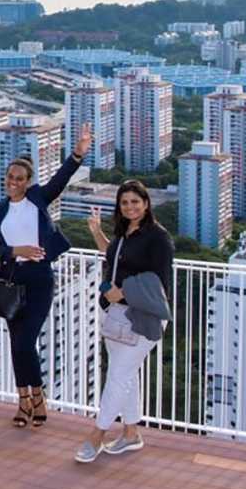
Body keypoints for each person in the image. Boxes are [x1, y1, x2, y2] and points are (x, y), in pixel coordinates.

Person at [0, 123, 92, 428]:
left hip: (39, 281)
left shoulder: (38, 200)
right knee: (17, 344)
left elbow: (61, 180)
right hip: (11, 282)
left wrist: (78, 152)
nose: (14, 183)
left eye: (20, 179)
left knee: (25, 342)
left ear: (29, 181)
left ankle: (36, 397)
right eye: (10, 178)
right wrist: (15, 250)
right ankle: (24, 401)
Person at [76, 180, 174, 461]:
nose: (130, 207)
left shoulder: (157, 237)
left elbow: (160, 284)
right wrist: (97, 233)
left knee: (117, 376)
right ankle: (131, 434)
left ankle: (97, 435)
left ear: (146, 203)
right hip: (117, 314)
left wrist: (125, 293)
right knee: (125, 374)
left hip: (144, 318)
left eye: (135, 202)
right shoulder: (124, 232)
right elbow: (114, 257)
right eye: (124, 203)